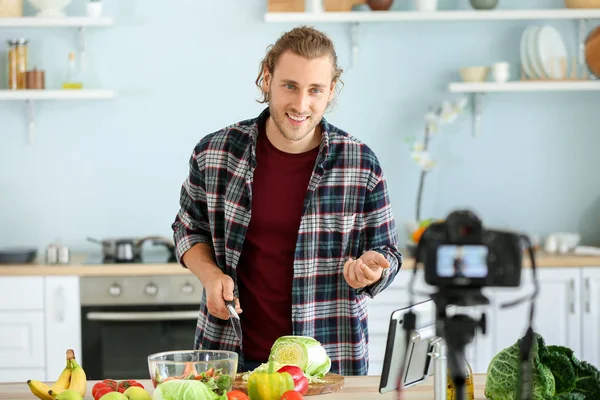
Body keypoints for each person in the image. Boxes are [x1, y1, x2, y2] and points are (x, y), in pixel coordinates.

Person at [171, 25, 402, 376]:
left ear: (331, 91)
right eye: (290, 86)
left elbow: (388, 254)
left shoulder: (360, 163)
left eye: (315, 90)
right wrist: (210, 274)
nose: (301, 104)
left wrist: (371, 269)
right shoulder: (214, 152)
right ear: (267, 78)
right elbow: (188, 229)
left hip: (326, 363)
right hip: (231, 357)